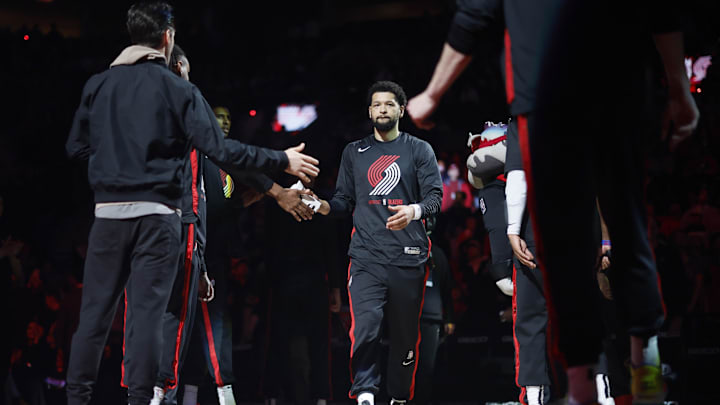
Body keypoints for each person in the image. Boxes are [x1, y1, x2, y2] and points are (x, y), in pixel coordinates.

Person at [407, 1, 699, 403]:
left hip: (549, 103)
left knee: (567, 245)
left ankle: (584, 381)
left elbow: (473, 17)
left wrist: (432, 94)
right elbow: (663, 15)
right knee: (626, 231)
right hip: (614, 93)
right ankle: (640, 367)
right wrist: (680, 90)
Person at [64, 3, 319, 404]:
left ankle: (78, 399)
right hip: (160, 219)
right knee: (150, 318)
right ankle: (144, 400)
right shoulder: (179, 90)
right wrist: (280, 160)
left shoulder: (98, 85)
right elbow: (222, 149)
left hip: (109, 213)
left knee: (94, 318)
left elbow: (75, 148)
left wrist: (117, 167)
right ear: (167, 39)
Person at [313, 81, 442, 405]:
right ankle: (365, 393)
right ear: (370, 112)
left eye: (389, 104)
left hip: (409, 258)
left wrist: (413, 211)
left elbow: (435, 198)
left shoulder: (419, 149)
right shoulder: (354, 152)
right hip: (366, 258)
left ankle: (399, 397)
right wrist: (324, 206)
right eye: (376, 104)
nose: (382, 109)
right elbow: (343, 199)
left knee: (405, 339)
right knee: (365, 329)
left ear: (401, 109)